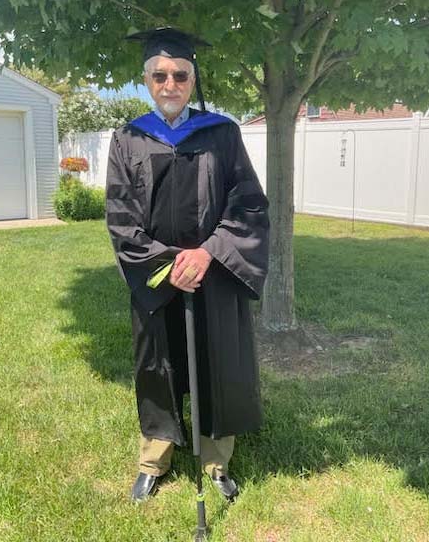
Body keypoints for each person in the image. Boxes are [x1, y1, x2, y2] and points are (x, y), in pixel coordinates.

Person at [105, 26, 270, 503]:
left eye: (180, 74)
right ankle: (154, 460)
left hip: (214, 273)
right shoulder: (128, 138)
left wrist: (207, 253)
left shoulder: (222, 134)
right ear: (147, 81)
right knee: (158, 365)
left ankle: (216, 462)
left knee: (218, 361)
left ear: (193, 80)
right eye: (160, 75)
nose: (170, 83)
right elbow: (120, 215)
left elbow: (248, 204)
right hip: (158, 276)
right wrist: (170, 263)